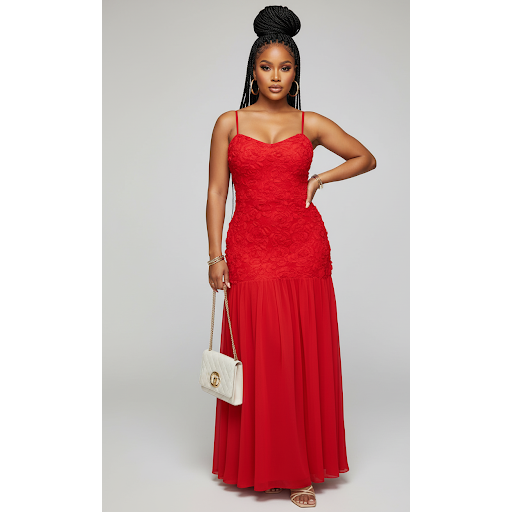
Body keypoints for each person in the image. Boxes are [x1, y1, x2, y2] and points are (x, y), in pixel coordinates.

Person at [205, 5, 376, 508]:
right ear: (253, 71)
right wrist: (215, 256)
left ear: (296, 72)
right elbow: (216, 192)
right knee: (262, 355)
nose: (275, 76)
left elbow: (365, 157)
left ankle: (299, 469)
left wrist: (319, 178)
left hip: (303, 249)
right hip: (249, 248)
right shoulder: (229, 123)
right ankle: (263, 461)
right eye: (266, 67)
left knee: (299, 356)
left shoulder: (310, 122)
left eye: (285, 67)